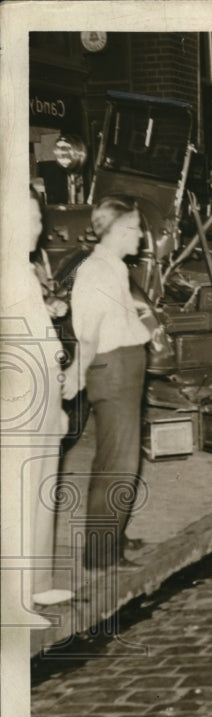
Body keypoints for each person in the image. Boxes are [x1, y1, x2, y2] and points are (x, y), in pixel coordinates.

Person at [62, 194, 151, 572]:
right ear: (114, 232)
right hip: (112, 369)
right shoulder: (97, 270)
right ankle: (101, 555)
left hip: (123, 367)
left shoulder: (112, 265)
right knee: (118, 464)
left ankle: (113, 534)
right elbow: (88, 332)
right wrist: (76, 373)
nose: (141, 236)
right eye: (134, 228)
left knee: (118, 458)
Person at [1, 188, 75, 611]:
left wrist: (58, 400)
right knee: (21, 492)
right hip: (21, 393)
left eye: (38, 218)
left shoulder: (24, 271)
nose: (38, 228)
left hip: (44, 387)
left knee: (43, 484)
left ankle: (38, 582)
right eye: (27, 219)